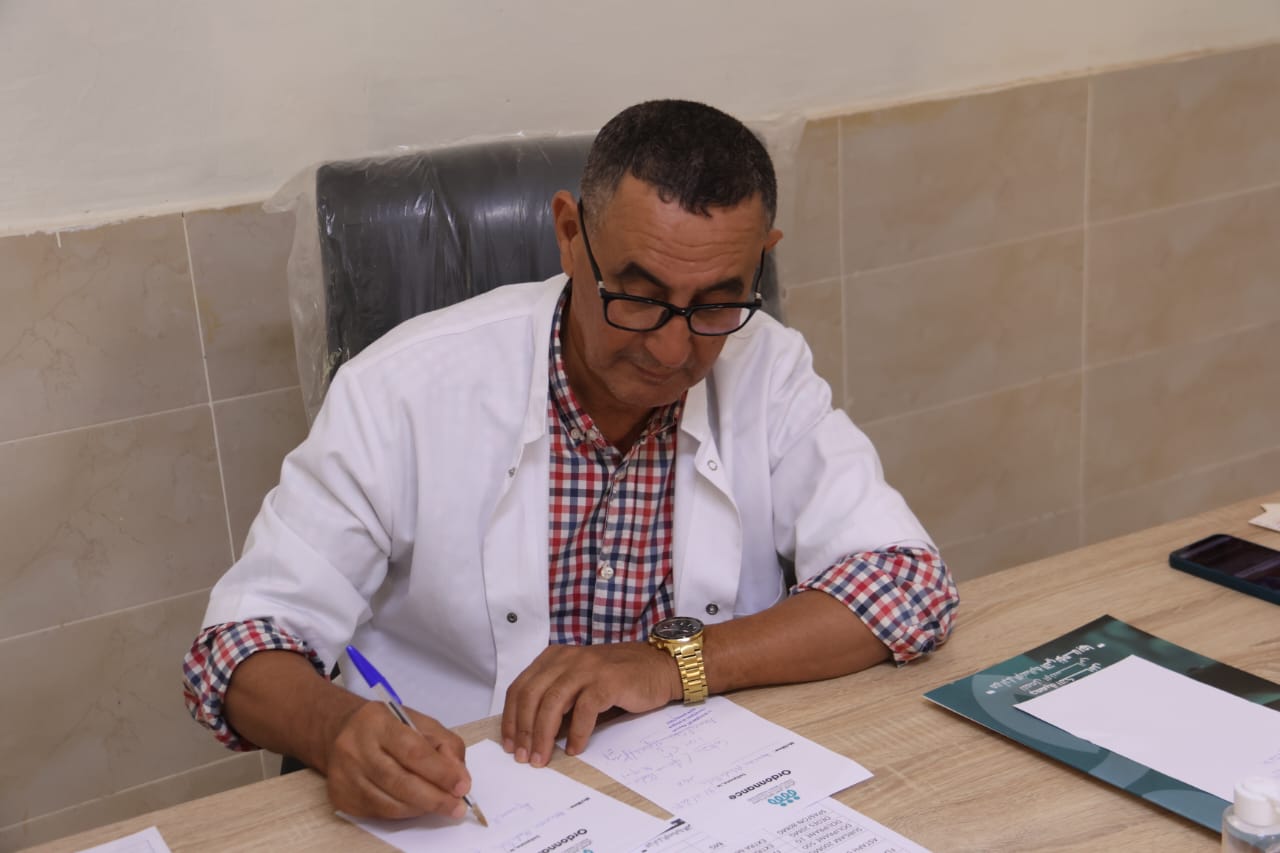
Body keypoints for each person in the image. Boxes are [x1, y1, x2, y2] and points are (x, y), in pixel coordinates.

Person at [183, 99, 958, 824]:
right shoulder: (402, 388)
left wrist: (670, 664)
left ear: (761, 260)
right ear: (568, 233)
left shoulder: (765, 366)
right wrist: (334, 728)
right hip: (464, 805)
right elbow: (238, 645)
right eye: (639, 296)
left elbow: (908, 586)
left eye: (716, 303)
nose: (673, 349)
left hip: (695, 793)